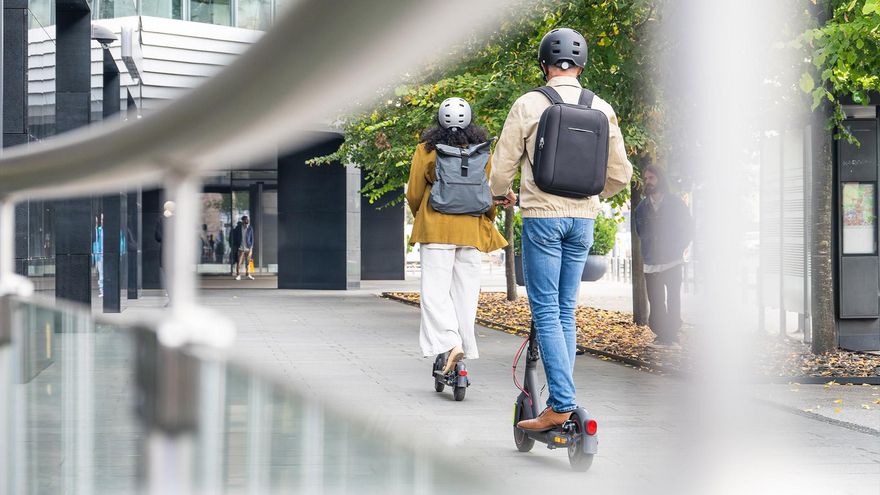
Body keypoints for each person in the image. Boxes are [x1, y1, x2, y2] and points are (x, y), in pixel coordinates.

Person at [490, 28, 633, 431]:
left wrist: (500, 194)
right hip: (584, 219)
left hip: (542, 218)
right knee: (565, 309)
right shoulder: (601, 108)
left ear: (544, 64)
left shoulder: (528, 103)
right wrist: (590, 194)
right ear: (582, 66)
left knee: (546, 310)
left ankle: (562, 404)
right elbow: (621, 174)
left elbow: (502, 167)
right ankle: (560, 399)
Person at [407, 97, 507, 375]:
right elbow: (486, 195)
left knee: (434, 294)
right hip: (471, 230)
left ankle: (450, 343)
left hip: (436, 229)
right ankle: (464, 348)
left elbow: (414, 192)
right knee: (465, 295)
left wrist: (423, 215)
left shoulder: (426, 150)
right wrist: (487, 219)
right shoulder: (480, 153)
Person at [634, 165, 692, 348]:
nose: (647, 182)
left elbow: (687, 228)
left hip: (673, 260)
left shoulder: (676, 204)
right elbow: (640, 231)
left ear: (660, 179)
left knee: (673, 298)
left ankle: (672, 337)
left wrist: (678, 248)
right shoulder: (641, 208)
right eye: (646, 179)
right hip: (651, 262)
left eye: (651, 178)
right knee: (656, 301)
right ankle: (661, 336)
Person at [232, 216, 254, 280]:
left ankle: (248, 274)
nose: (247, 221)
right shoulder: (238, 228)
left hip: (248, 247)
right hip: (241, 248)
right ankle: (238, 275)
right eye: (245, 220)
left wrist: (251, 247)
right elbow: (235, 237)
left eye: (247, 220)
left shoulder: (250, 228)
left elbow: (252, 238)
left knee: (248, 262)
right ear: (242, 221)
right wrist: (236, 245)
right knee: (239, 262)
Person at [93, 214, 104, 298]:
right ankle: (102, 290)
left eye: (103, 219)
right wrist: (96, 227)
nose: (102, 221)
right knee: (101, 273)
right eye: (101, 220)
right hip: (100, 255)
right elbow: (96, 239)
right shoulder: (99, 230)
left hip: (107, 255)